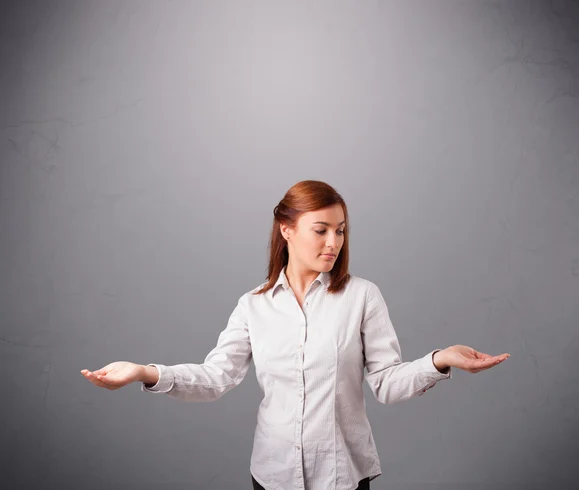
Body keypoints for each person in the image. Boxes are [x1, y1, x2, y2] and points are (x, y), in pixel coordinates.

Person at [81, 180, 510, 490]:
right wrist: (144, 372)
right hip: (272, 475)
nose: (334, 241)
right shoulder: (254, 304)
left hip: (342, 477)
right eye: (320, 229)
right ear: (287, 230)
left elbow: (386, 384)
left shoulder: (362, 296)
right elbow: (215, 379)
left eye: (340, 230)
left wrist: (440, 360)